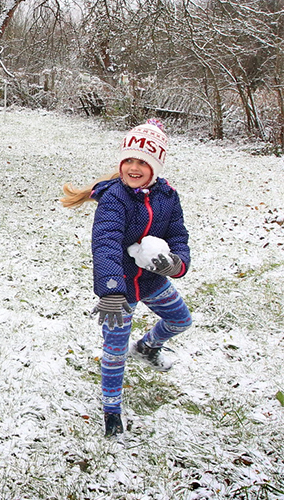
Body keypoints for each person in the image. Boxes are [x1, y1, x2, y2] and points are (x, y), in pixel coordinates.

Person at [61, 119, 193, 437]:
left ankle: (148, 347)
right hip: (119, 286)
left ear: (155, 165)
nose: (134, 167)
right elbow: (105, 244)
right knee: (115, 349)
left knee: (180, 320)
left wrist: (175, 264)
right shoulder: (114, 198)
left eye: (142, 162)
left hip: (151, 279)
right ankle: (112, 412)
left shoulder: (168, 197)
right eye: (128, 160)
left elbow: (179, 236)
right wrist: (110, 291)